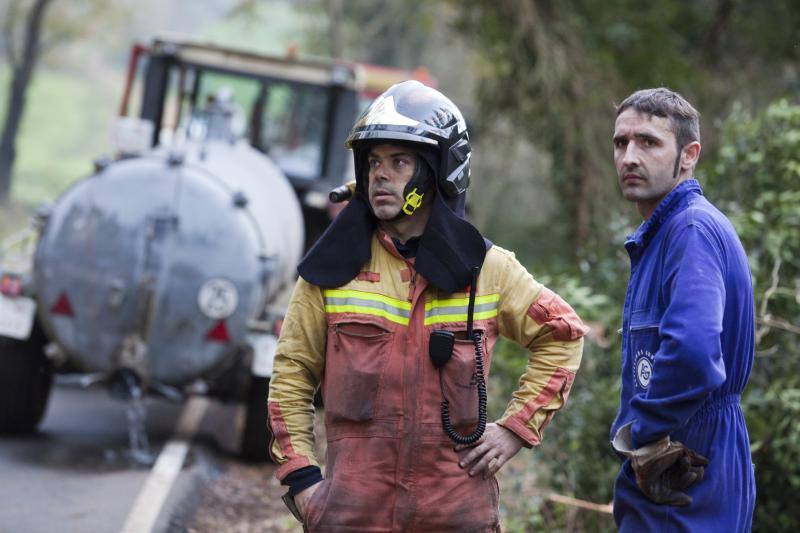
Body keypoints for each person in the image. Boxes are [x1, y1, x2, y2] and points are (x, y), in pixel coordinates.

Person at [267, 80, 587, 531]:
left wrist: (516, 428)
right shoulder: (331, 271)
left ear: (439, 172)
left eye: (399, 162)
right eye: (374, 161)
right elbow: (290, 374)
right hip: (352, 514)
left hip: (456, 513)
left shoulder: (487, 269)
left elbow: (563, 333)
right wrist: (302, 478)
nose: (380, 174)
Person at [609, 87, 756, 531]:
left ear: (688, 155)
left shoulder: (690, 229)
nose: (630, 156)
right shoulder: (667, 232)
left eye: (649, 142)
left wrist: (645, 437)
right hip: (682, 446)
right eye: (621, 142)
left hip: (686, 458)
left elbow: (692, 352)